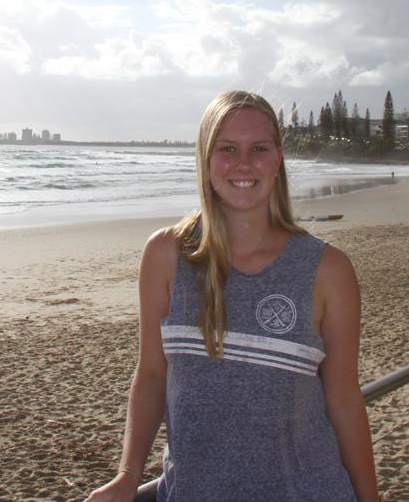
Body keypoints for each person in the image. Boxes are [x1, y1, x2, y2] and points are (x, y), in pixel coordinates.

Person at [85, 90, 379, 502]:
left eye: (258, 149)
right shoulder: (165, 255)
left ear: (277, 159)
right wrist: (127, 476)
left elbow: (344, 399)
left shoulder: (327, 269)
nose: (243, 163)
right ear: (205, 160)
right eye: (227, 149)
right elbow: (152, 374)